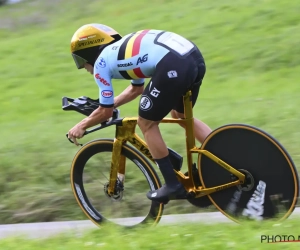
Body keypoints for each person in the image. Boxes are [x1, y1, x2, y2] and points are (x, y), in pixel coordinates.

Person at [67, 23, 212, 203]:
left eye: (81, 61)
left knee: (146, 123)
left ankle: (172, 185)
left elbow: (105, 112)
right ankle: (223, 154)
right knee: (180, 116)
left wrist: (82, 125)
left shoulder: (101, 64)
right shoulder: (125, 49)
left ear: (89, 52)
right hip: (192, 57)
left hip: (172, 64)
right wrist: (109, 105)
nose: (84, 68)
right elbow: (136, 89)